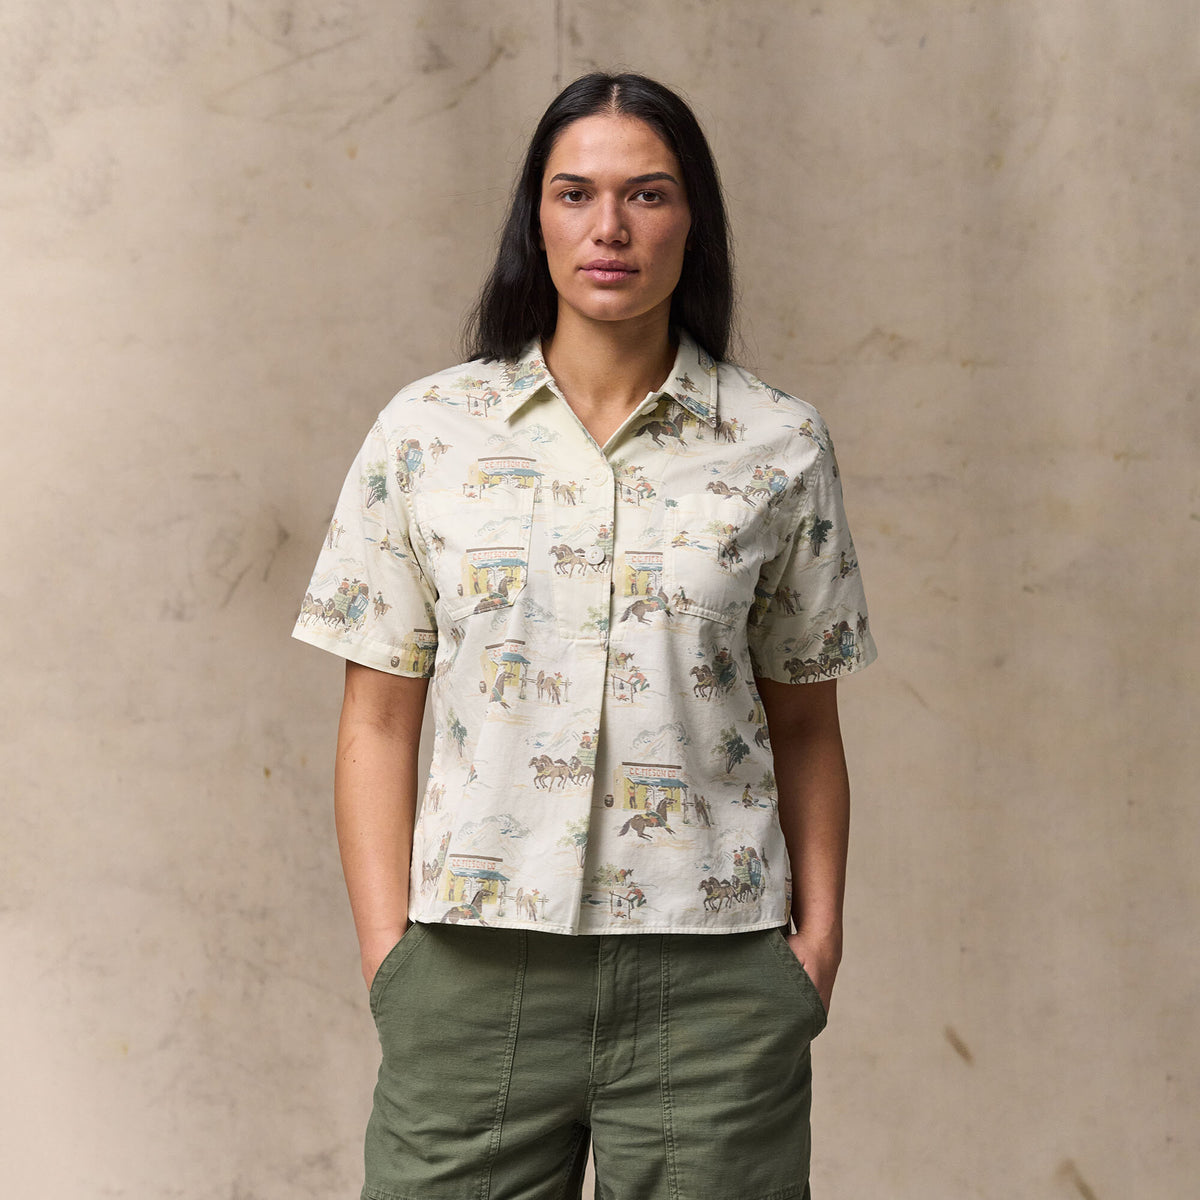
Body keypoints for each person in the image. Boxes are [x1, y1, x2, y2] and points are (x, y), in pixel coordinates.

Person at [293, 71, 876, 1200]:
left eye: (647, 194)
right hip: (470, 966)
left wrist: (817, 947)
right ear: (537, 219)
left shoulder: (779, 444)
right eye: (576, 194)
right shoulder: (428, 434)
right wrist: (388, 957)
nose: (610, 227)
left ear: (692, 221)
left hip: (715, 974)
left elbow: (808, 722)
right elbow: (376, 719)